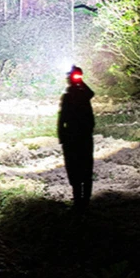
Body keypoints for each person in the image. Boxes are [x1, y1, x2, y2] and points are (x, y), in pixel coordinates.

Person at [57, 65, 95, 210]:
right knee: (82, 168)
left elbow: (62, 119)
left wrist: (61, 136)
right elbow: (62, 118)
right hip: (80, 137)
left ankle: (81, 201)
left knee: (77, 168)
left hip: (75, 137)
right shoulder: (75, 95)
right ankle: (82, 200)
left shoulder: (77, 95)